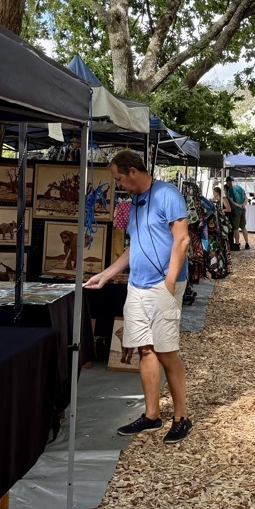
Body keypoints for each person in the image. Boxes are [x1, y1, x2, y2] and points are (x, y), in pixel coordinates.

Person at [84, 150, 192, 444]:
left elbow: (182, 238)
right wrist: (106, 274)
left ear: (133, 171)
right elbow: (135, 247)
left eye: (119, 177)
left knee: (166, 351)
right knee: (145, 350)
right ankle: (152, 415)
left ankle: (181, 416)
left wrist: (170, 281)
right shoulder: (133, 203)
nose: (118, 183)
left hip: (162, 286)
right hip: (137, 285)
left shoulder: (168, 194)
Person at [226, 175, 250, 250]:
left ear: (229, 182)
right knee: (243, 227)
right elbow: (246, 198)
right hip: (243, 209)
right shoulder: (240, 188)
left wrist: (239, 206)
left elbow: (231, 201)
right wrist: (243, 204)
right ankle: (247, 243)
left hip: (236, 210)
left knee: (236, 228)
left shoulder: (230, 190)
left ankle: (237, 244)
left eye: (227, 182)